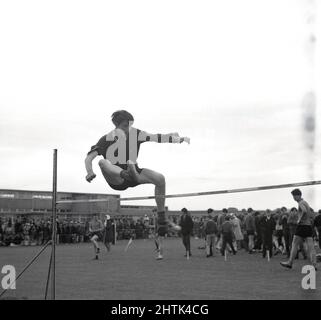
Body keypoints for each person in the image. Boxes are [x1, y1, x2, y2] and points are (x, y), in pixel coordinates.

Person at [84, 110, 189, 259]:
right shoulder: (105, 140)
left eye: (130, 126)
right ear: (116, 125)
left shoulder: (135, 134)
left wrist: (175, 138)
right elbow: (89, 159)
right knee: (102, 162)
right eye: (125, 126)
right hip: (116, 178)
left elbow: (155, 137)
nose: (128, 129)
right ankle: (126, 172)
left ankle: (161, 217)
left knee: (160, 179)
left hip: (134, 173)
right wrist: (89, 172)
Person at [280, 189, 317, 270]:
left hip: (302, 226)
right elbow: (310, 213)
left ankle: (290, 263)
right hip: (308, 226)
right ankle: (314, 264)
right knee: (311, 247)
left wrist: (299, 219)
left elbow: (303, 210)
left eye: (293, 196)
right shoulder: (306, 202)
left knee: (294, 244)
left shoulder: (300, 203)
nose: (293, 198)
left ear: (298, 195)